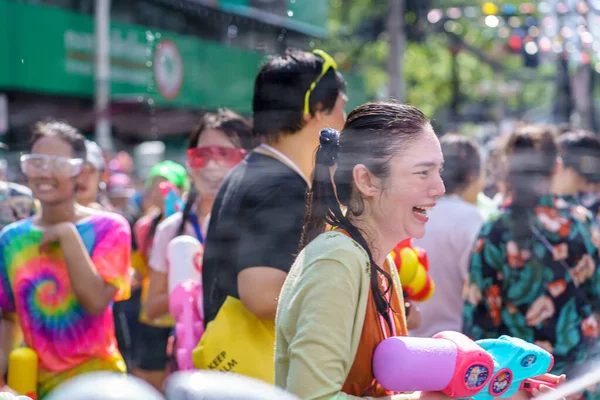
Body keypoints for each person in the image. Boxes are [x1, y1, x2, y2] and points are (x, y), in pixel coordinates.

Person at [275, 102, 563, 399]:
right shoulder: (336, 261)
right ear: (367, 180)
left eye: (438, 171)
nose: (439, 187)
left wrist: (497, 392)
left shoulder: (378, 259)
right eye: (423, 173)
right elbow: (311, 397)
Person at [201, 48, 347, 329]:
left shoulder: (252, 172)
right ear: (314, 111)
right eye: (341, 108)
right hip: (258, 371)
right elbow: (263, 295)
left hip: (231, 366)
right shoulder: (280, 187)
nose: (344, 121)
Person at [462, 126, 597, 395]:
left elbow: (479, 320)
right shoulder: (580, 222)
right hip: (581, 381)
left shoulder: (494, 230)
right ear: (556, 167)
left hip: (520, 383)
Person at [0, 121, 131, 398]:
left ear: (79, 172)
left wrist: (67, 234)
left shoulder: (109, 228)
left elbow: (95, 301)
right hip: (33, 386)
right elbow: (7, 316)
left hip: (97, 385)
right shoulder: (12, 239)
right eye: (36, 162)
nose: (44, 172)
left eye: (57, 163)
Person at [145, 109, 253, 322]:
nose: (212, 165)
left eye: (225, 154)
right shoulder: (171, 229)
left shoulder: (259, 224)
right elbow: (152, 308)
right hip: (190, 350)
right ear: (189, 162)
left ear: (247, 161)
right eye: (201, 155)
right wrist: (190, 288)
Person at [410, 134, 485, 338]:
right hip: (458, 346)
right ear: (473, 176)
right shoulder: (472, 219)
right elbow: (479, 288)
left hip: (407, 344)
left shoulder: (412, 211)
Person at [131, 161, 189, 390]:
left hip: (184, 315)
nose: (160, 191)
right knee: (148, 377)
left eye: (167, 186)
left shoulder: (191, 222)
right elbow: (142, 266)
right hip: (152, 313)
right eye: (155, 185)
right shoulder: (144, 226)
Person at [76, 140, 108, 210]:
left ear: (101, 176)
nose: (83, 178)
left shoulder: (110, 219)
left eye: (90, 171)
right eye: (79, 170)